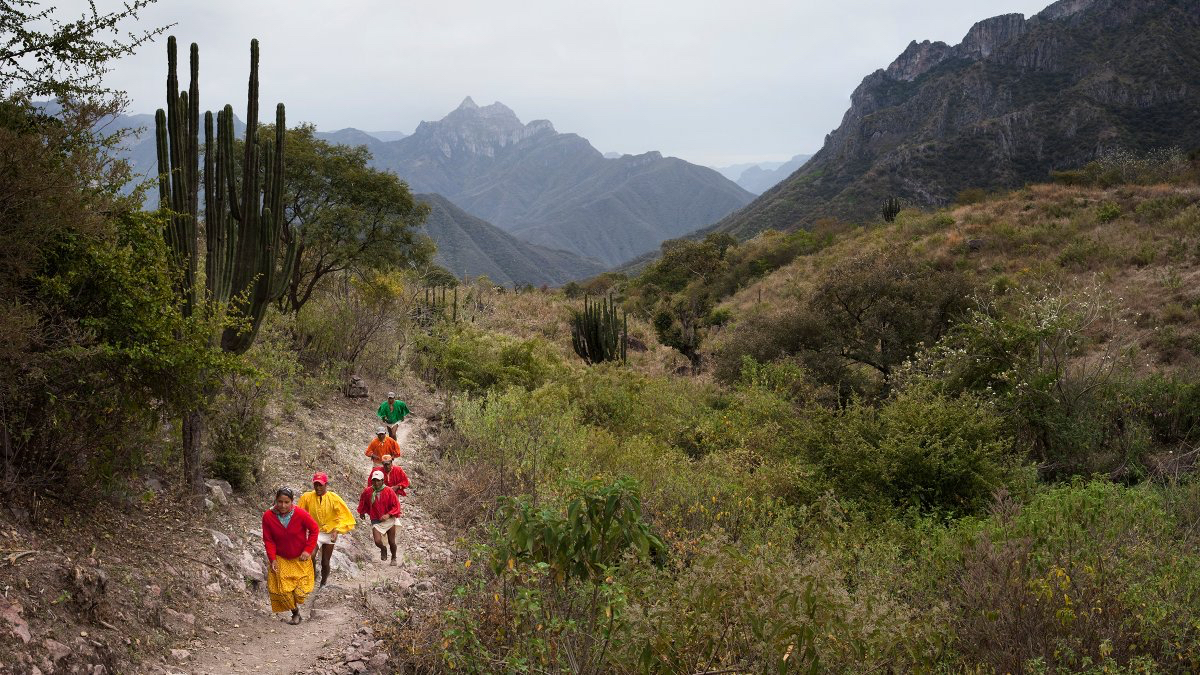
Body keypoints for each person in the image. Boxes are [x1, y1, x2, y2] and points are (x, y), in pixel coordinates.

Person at [261, 486, 319, 625]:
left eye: (287, 502)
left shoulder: (300, 514)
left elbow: (314, 529)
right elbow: (268, 539)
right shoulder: (268, 516)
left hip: (300, 557)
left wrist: (308, 550)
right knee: (284, 591)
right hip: (281, 558)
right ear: (276, 500)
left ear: (292, 502)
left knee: (300, 592)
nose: (283, 505)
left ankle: (298, 606)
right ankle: (295, 613)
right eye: (280, 501)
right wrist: (272, 559)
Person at [296, 473, 357, 589]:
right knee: (310, 555)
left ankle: (323, 582)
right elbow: (299, 513)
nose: (318, 488)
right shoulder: (307, 497)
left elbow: (345, 516)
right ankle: (312, 577)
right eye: (316, 485)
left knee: (325, 561)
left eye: (321, 485)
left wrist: (337, 530)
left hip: (330, 533)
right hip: (315, 532)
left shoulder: (334, 498)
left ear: (326, 485)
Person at [357, 470, 402, 566]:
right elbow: (363, 501)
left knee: (392, 541)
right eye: (374, 481)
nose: (376, 483)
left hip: (389, 520)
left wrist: (388, 515)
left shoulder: (389, 491)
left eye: (378, 481)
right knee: (377, 541)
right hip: (376, 519)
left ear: (382, 481)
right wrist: (362, 511)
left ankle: (393, 557)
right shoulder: (368, 491)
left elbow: (396, 506)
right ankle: (383, 548)